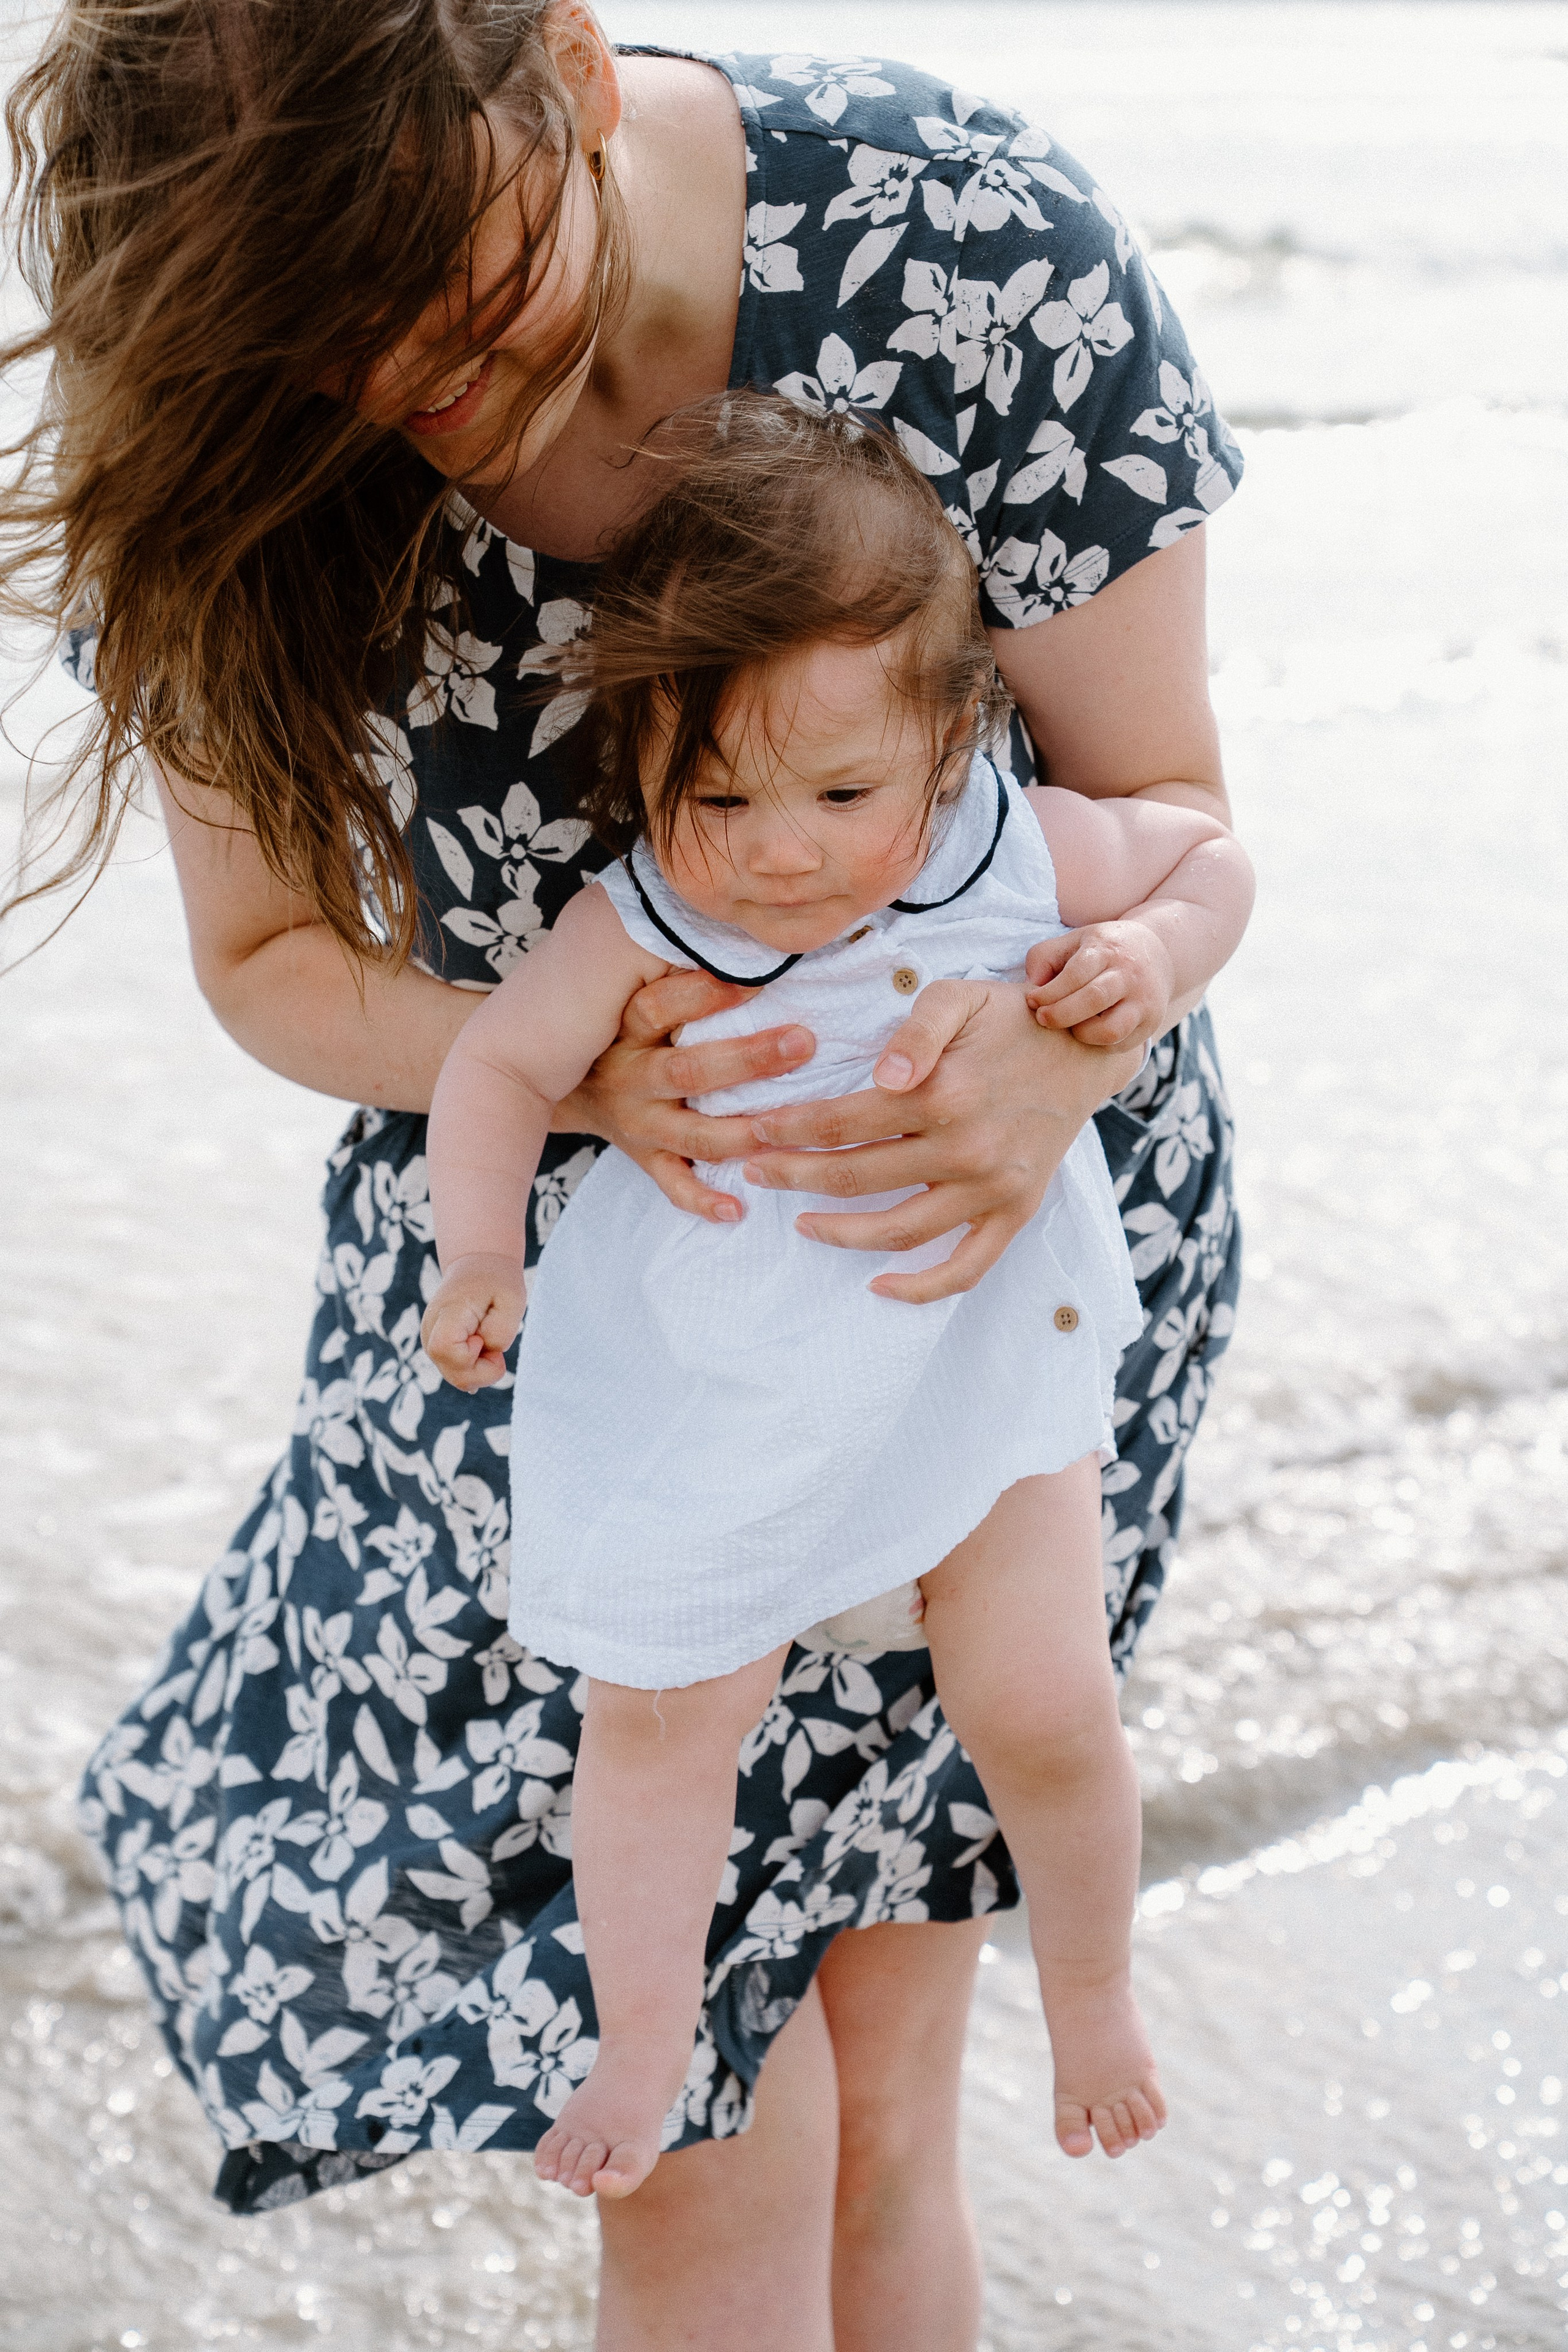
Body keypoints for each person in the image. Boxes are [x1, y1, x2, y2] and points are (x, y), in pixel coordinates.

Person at [3, 4, 1244, 2341]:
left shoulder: (959, 241)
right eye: (326, 334)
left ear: (563, 68)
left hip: (980, 1275)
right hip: (571, 1341)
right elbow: (267, 962)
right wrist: (576, 1083)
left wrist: (1051, 1060)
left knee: (888, 2102)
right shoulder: (224, 372)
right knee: (688, 2134)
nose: (401, 377)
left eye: (449, 284)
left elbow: (1166, 814)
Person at [419, 394, 1253, 2199]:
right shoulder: (648, 916)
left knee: (1044, 1702)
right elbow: (496, 1066)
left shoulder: (1009, 846)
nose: (780, 850)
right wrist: (477, 1250)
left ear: (949, 745)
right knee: (656, 1723)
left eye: (841, 795)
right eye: (719, 793)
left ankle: (1096, 1997)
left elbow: (1212, 857)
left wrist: (1145, 955)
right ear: (645, 751)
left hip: (975, 1358)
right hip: (724, 1390)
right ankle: (642, 2042)